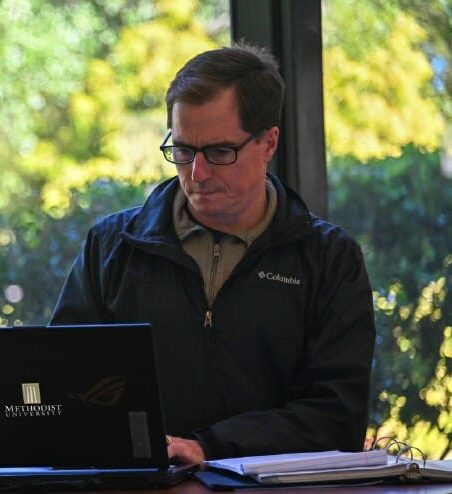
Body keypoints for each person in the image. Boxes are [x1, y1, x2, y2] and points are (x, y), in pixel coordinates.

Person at [50, 43, 376, 465]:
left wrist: (211, 447)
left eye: (220, 153)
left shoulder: (330, 259)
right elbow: (61, 383)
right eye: (182, 152)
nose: (196, 174)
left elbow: (338, 417)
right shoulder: (112, 246)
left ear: (269, 143)